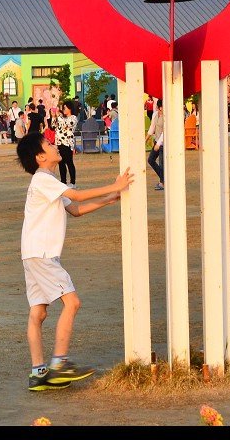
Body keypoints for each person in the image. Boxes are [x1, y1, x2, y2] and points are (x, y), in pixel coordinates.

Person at [17, 132, 134, 391]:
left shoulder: (49, 181)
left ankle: (38, 373)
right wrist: (115, 185)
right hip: (43, 255)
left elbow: (75, 209)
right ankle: (59, 363)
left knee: (38, 312)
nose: (55, 145)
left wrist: (109, 199)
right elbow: (78, 197)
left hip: (33, 254)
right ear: (40, 157)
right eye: (48, 144)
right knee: (72, 301)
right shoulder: (42, 180)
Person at [54, 102, 78, 187]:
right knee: (61, 163)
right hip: (59, 143)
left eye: (65, 108)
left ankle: (72, 182)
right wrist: (55, 117)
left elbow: (66, 125)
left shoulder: (73, 118)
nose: (64, 109)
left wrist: (59, 117)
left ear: (70, 108)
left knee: (69, 162)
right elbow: (54, 127)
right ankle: (63, 181)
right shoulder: (61, 118)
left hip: (67, 143)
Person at [146, 99, 165, 191]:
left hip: (163, 143)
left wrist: (158, 143)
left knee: (162, 164)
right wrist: (146, 138)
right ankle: (165, 178)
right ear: (159, 107)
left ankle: (162, 182)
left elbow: (165, 131)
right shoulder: (155, 115)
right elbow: (152, 127)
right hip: (156, 141)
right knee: (150, 160)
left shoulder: (166, 117)